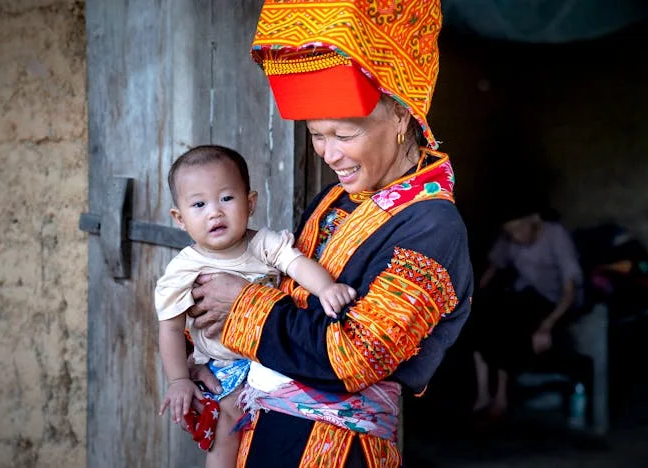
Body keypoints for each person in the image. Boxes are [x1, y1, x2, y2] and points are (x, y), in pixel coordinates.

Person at [185, 1, 474, 466]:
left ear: (400, 117)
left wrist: (239, 306)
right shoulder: (334, 200)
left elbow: (356, 356)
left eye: (344, 134)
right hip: (264, 429)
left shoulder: (433, 227)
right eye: (318, 135)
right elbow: (283, 290)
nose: (329, 155)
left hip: (338, 451)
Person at [156, 145, 357, 467]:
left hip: (274, 357)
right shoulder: (184, 269)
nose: (214, 212)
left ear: (250, 203)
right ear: (179, 218)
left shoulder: (263, 243)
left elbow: (297, 263)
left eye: (226, 198)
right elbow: (170, 326)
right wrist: (178, 379)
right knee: (224, 434)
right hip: (225, 368)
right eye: (198, 204)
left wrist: (326, 288)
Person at [470, 202, 585, 418]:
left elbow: (570, 291)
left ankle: (502, 397)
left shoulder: (555, 235)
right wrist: (473, 298)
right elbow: (495, 266)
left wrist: (546, 326)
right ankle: (483, 394)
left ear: (533, 223)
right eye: (509, 232)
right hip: (527, 295)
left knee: (510, 322)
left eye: (517, 229)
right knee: (482, 317)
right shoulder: (509, 239)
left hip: (557, 302)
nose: (514, 236)